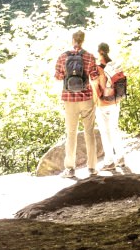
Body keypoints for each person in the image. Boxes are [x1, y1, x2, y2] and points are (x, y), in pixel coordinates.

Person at [54, 30, 101, 178]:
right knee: (89, 132)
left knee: (71, 133)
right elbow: (94, 77)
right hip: (86, 99)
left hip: (69, 100)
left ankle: (70, 168)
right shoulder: (89, 56)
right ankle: (92, 168)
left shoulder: (63, 57)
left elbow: (57, 77)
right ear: (83, 40)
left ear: (72, 40)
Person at [93, 42, 128, 170]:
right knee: (115, 129)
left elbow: (97, 86)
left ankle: (109, 161)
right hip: (115, 102)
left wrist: (95, 101)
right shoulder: (115, 65)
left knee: (105, 132)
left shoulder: (98, 68)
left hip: (103, 104)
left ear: (99, 52)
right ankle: (120, 158)